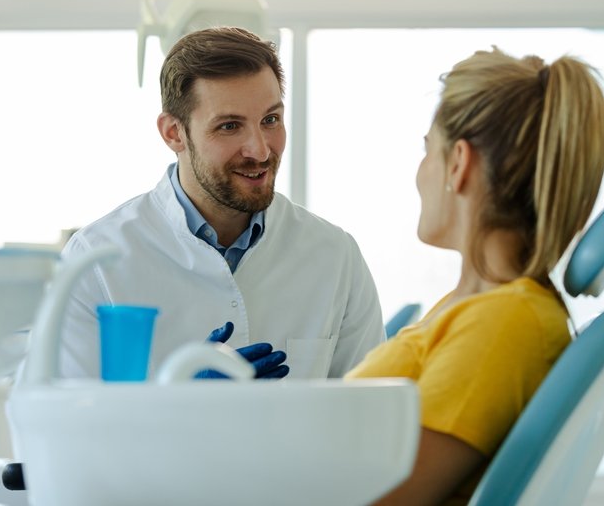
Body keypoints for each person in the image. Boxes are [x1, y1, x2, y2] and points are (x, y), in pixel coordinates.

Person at [346, 46, 604, 505]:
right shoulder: (477, 309)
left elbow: (380, 497)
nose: (419, 173)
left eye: (428, 150)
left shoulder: (505, 323)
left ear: (457, 163)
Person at [57, 26, 384, 380]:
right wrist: (180, 405)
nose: (260, 150)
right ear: (174, 133)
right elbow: (64, 425)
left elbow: (369, 415)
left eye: (270, 120)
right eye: (229, 126)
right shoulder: (96, 261)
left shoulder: (336, 256)